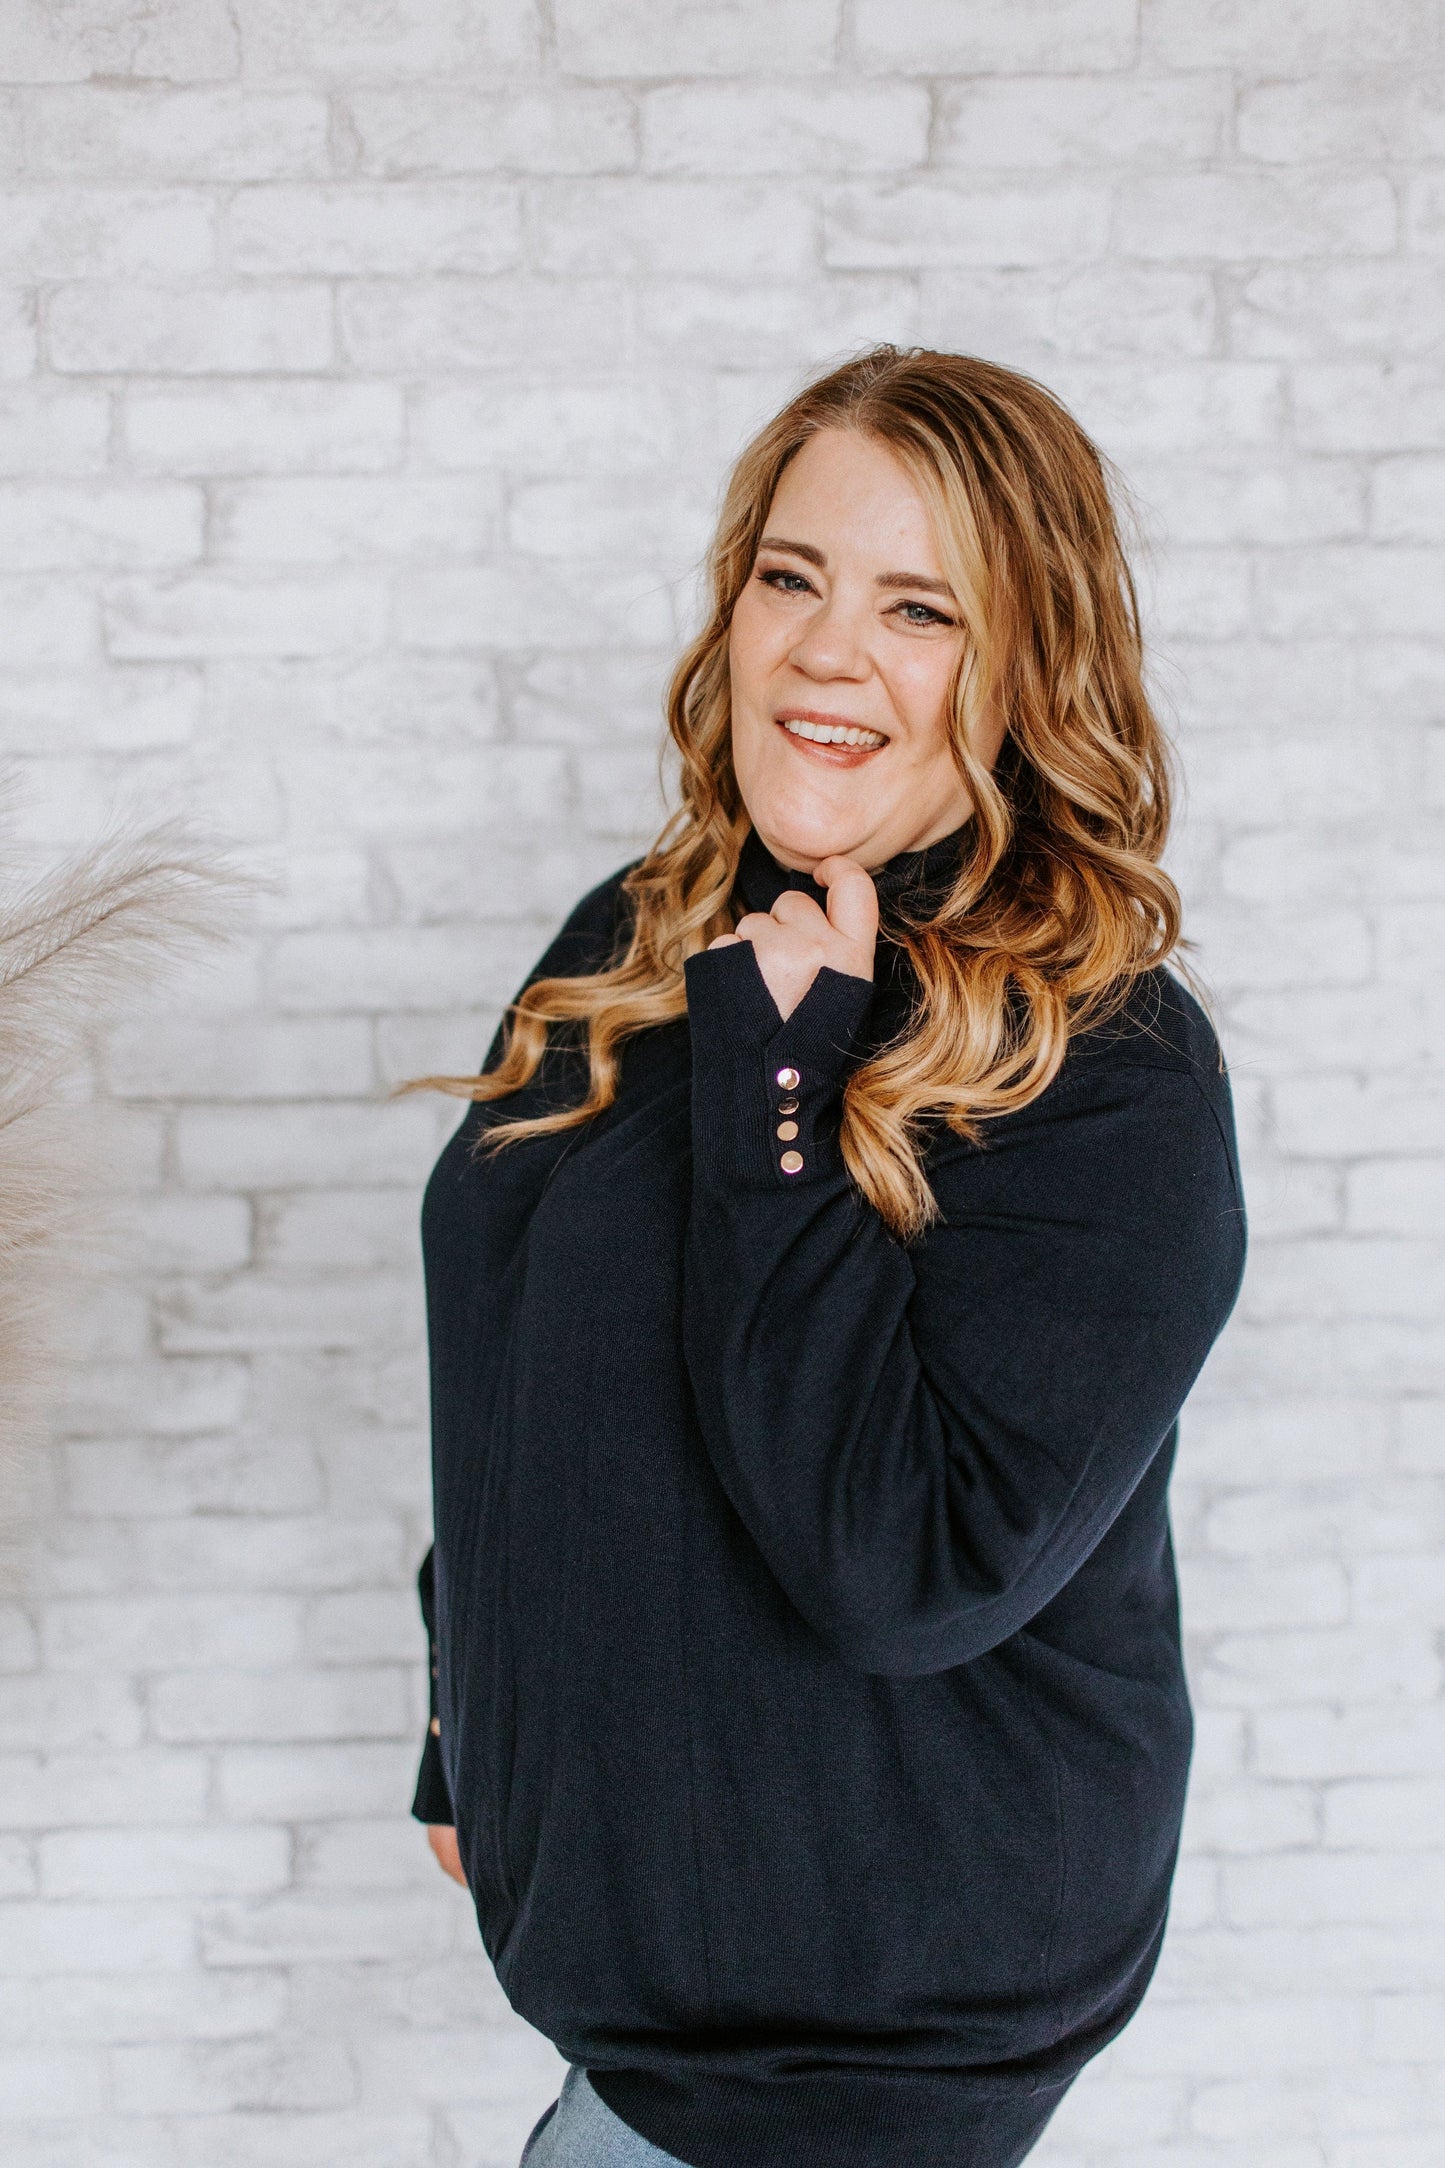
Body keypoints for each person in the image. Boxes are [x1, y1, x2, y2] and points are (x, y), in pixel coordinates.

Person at [404, 346, 1246, 2168]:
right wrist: (464, 1714)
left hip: (865, 2057)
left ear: (1028, 662)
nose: (826, 653)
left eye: (918, 609)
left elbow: (905, 1573)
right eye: (791, 579)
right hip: (655, 2025)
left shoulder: (1102, 1062)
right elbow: (512, 1342)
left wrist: (779, 1092)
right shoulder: (650, 935)